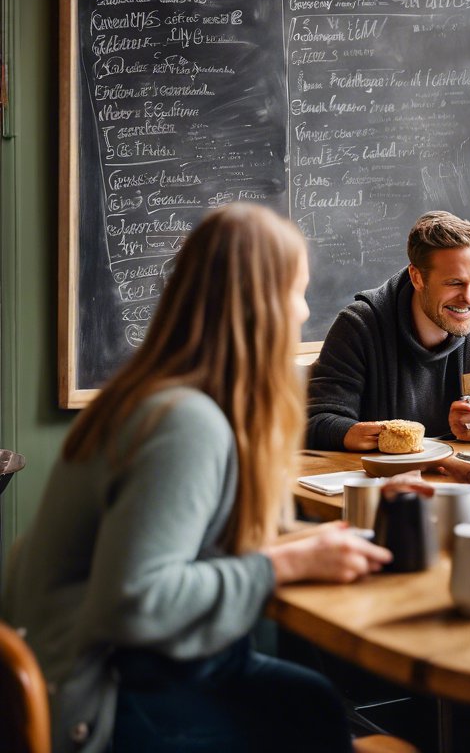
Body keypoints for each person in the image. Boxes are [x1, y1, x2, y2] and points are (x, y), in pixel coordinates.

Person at [2, 204, 392, 753]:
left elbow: (196, 549)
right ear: (257, 305)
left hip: (126, 667)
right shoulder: (184, 423)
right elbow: (137, 601)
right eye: (297, 291)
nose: (305, 311)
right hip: (105, 700)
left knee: (312, 703)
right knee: (316, 718)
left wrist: (358, 519)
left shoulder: (157, 398)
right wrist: (285, 564)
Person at [306, 210, 470, 451]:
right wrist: (351, 432)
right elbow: (316, 420)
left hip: (466, 481)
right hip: (383, 482)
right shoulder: (359, 326)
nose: (469, 298)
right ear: (417, 278)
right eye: (454, 283)